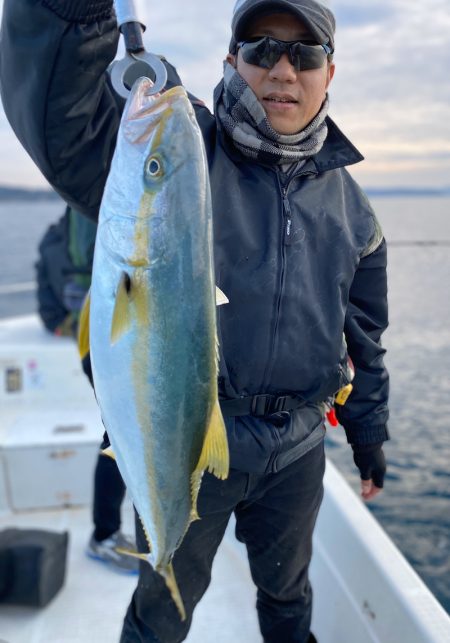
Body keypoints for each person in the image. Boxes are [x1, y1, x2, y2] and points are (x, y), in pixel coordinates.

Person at [0, 0, 389, 641]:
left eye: (304, 53)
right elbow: (67, 128)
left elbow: (365, 335)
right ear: (233, 60)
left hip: (297, 448)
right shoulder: (183, 146)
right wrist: (73, 20)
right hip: (186, 439)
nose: (283, 70)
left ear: (330, 71)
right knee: (162, 612)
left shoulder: (354, 209)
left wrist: (367, 429)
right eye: (261, 48)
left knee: (288, 596)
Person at [35, 205, 138, 574]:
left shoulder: (53, 235)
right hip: (113, 343)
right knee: (124, 434)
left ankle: (111, 531)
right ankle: (105, 535)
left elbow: (45, 292)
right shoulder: (112, 226)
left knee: (123, 431)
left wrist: (63, 322)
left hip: (89, 343)